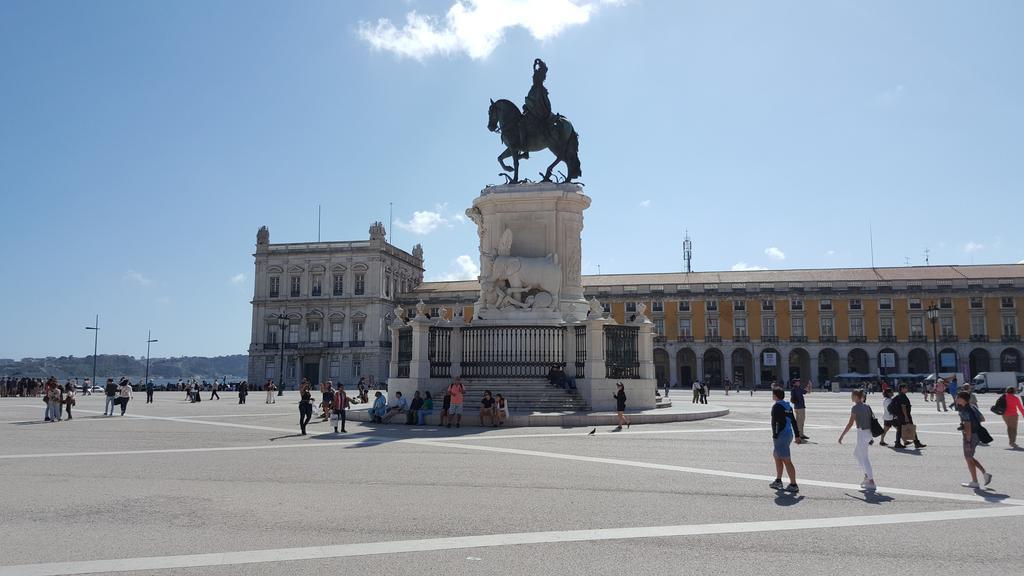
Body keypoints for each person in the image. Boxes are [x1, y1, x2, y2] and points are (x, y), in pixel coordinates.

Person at [838, 389, 877, 491]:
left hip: (862, 433)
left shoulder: (855, 408)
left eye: (852, 395)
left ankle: (871, 480)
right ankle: (866, 475)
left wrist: (842, 435)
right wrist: (870, 437)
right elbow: (871, 420)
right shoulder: (867, 406)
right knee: (856, 454)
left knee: (864, 457)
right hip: (868, 433)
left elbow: (850, 423)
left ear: (856, 397)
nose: (851, 397)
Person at [956, 391, 992, 488]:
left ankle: (975, 481)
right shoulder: (972, 407)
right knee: (970, 457)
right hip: (976, 435)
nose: (956, 399)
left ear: (963, 399)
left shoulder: (964, 411)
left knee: (968, 458)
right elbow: (982, 419)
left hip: (970, 435)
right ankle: (985, 474)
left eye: (958, 397)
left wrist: (967, 441)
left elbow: (968, 426)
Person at [769, 387, 800, 493]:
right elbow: (793, 421)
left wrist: (775, 434)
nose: (772, 396)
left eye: (773, 394)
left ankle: (793, 484)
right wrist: (797, 435)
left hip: (781, 434)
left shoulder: (776, 406)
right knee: (777, 456)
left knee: (786, 460)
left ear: (776, 396)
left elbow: (776, 422)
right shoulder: (787, 406)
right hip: (788, 433)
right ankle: (778, 480)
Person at [892, 383, 926, 449]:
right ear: (902, 389)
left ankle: (898, 443)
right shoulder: (902, 396)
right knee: (910, 427)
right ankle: (916, 443)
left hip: (900, 415)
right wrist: (906, 416)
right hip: (904, 416)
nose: (907, 389)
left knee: (900, 429)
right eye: (906, 388)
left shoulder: (899, 395)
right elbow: (903, 407)